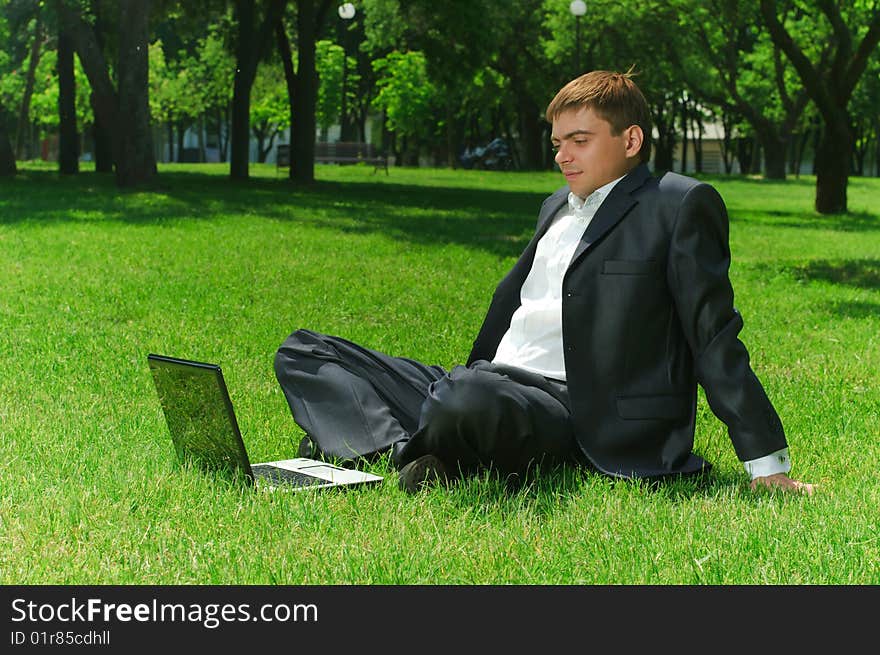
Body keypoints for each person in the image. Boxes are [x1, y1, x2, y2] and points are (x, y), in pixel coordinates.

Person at [274, 70, 814, 496]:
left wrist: (766, 462)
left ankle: (374, 440)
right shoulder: (556, 205)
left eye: (579, 140)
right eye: (557, 142)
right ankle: (407, 449)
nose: (562, 155)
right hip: (490, 379)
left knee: (466, 397)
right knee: (304, 351)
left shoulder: (676, 204)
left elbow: (714, 337)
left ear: (630, 139)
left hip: (572, 408)